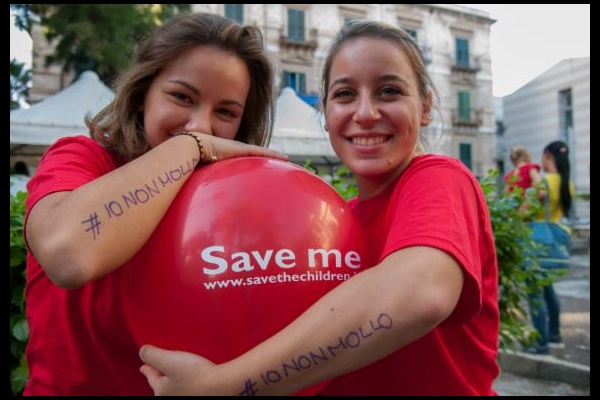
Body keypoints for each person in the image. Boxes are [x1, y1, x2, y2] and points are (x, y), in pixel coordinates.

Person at [139, 20, 500, 396]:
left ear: (424, 107)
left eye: (389, 91)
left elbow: (421, 294)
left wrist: (224, 387)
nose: (364, 113)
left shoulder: (439, 178)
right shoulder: (336, 219)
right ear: (325, 113)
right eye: (344, 94)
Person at [22, 12, 287, 396]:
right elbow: (69, 254)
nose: (201, 124)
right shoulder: (80, 159)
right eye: (182, 97)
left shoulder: (231, 203)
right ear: (143, 93)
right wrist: (191, 147)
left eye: (226, 112)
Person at [524, 140, 574, 355]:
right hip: (554, 242)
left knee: (535, 293)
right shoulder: (566, 183)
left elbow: (524, 209)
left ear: (546, 156)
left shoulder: (544, 182)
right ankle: (554, 334)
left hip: (537, 242)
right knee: (548, 289)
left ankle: (541, 343)